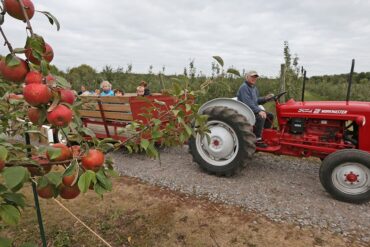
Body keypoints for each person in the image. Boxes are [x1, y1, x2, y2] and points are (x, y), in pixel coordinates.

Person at [236, 70, 274, 148]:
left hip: (251, 109)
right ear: (247, 77)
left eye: (255, 77)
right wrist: (259, 110)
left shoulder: (253, 88)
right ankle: (257, 139)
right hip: (245, 111)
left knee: (270, 116)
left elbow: (255, 101)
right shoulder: (244, 87)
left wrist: (266, 98)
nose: (254, 78)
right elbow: (248, 103)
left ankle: (264, 135)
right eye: (252, 77)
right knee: (261, 117)